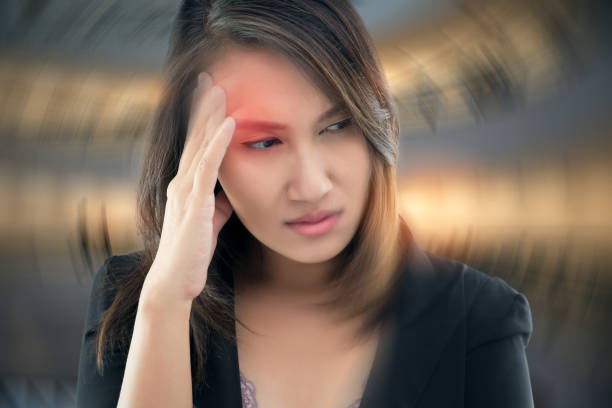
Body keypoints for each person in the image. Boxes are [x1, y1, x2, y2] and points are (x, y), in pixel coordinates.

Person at [76, 1, 535, 407]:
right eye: (265, 142)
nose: (312, 186)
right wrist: (167, 303)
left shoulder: (480, 320)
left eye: (337, 126)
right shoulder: (137, 304)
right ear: (199, 154)